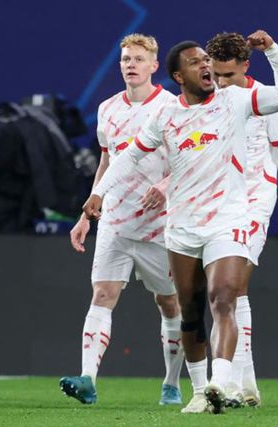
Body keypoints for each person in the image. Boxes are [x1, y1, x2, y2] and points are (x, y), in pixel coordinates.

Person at [82, 30, 278, 415]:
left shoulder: (235, 100)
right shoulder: (166, 115)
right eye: (195, 62)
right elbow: (130, 157)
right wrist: (99, 192)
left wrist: (273, 51)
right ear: (178, 76)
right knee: (191, 311)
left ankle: (222, 380)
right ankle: (201, 391)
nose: (205, 65)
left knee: (224, 297)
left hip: (228, 220)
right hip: (182, 226)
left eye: (205, 60)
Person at [59, 33, 184, 406]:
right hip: (115, 219)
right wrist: (87, 215)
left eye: (138, 59)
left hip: (159, 223)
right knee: (102, 293)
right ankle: (87, 380)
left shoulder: (171, 107)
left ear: (154, 65)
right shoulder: (108, 109)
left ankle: (171, 383)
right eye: (126, 59)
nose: (131, 64)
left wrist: (165, 186)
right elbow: (107, 161)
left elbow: (189, 160)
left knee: (169, 303)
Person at [205, 31, 278, 407]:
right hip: (216, 203)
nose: (221, 83)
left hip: (253, 201)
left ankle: (231, 384)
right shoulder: (209, 100)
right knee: (229, 293)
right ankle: (247, 386)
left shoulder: (266, 101)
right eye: (216, 75)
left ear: (246, 66)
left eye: (229, 75)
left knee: (232, 288)